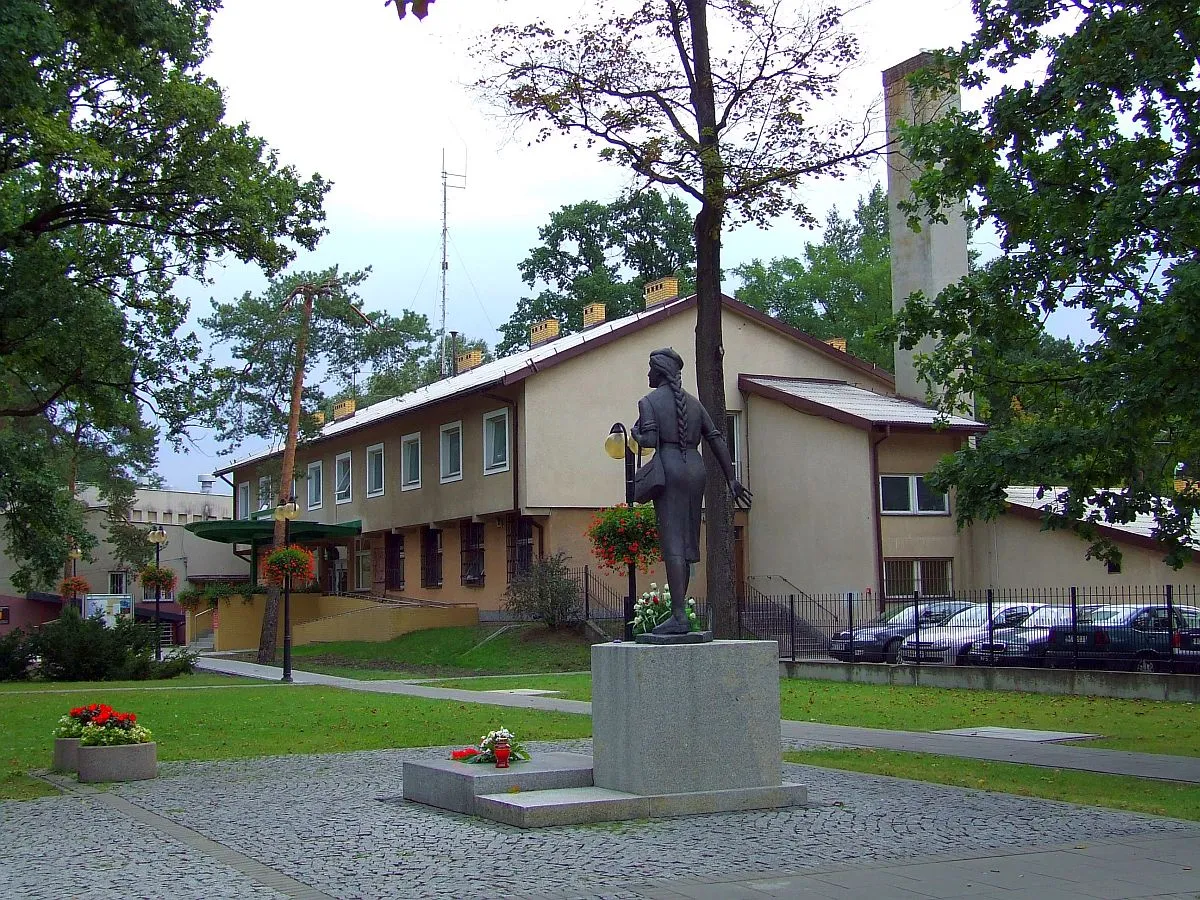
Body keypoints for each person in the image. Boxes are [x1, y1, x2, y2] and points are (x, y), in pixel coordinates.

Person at [631, 348, 751, 635]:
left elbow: (648, 440)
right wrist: (731, 479)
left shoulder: (648, 402)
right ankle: (679, 612)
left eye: (650, 369)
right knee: (687, 543)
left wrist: (634, 434)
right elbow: (717, 439)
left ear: (659, 371)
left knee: (672, 543)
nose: (647, 374)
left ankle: (678, 615)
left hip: (669, 469)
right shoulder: (695, 405)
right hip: (696, 470)